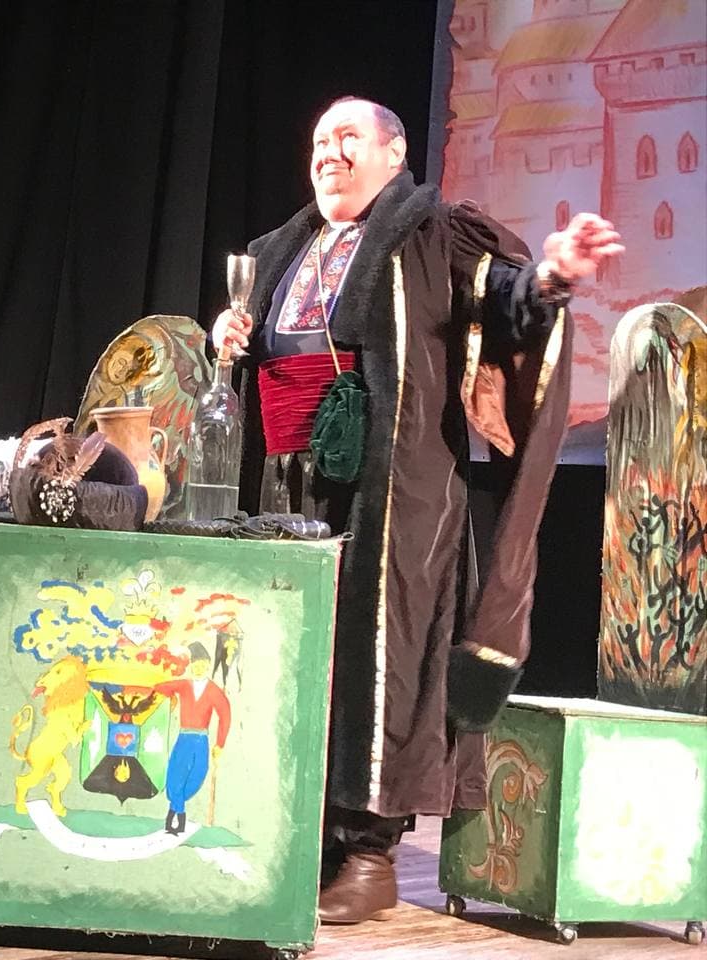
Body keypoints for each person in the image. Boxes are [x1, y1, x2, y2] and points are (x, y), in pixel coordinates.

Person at [211, 97, 622, 922]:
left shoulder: (432, 235)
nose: (328, 153)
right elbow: (280, 350)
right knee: (301, 651)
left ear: (394, 155)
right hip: (292, 481)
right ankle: (303, 831)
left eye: (348, 139)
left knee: (384, 655)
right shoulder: (281, 249)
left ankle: (370, 853)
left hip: (395, 488)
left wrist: (551, 277)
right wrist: (232, 339)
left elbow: (506, 298)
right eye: (319, 140)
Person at [155, 643, 232, 836]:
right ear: (191, 665)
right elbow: (159, 687)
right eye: (195, 664)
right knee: (175, 776)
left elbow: (225, 715)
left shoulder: (214, 691)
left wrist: (220, 743)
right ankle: (177, 821)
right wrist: (171, 697)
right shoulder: (184, 685)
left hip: (201, 741)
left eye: (202, 665)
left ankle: (174, 811)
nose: (198, 668)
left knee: (197, 776)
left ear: (208, 665)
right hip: (183, 738)